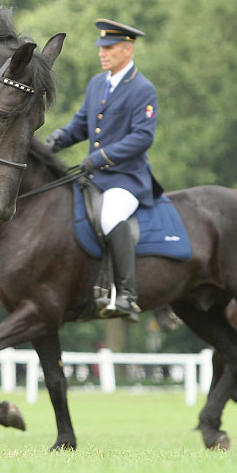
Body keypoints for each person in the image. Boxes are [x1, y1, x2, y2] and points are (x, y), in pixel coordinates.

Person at [43, 19, 158, 322]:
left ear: (128, 49)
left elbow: (142, 137)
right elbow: (82, 123)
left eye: (108, 48)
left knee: (111, 216)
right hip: (95, 176)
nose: (102, 53)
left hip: (126, 179)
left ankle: (128, 296)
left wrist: (102, 157)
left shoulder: (142, 89)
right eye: (101, 48)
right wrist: (57, 139)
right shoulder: (98, 83)